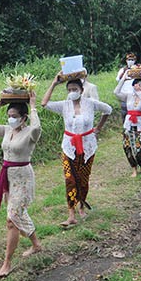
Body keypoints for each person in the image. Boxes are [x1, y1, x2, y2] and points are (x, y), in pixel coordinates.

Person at [0, 92, 43, 277]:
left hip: (23, 178)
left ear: (23, 118)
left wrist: (32, 106)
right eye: (9, 116)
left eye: (14, 117)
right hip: (9, 177)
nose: (11, 120)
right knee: (18, 214)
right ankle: (36, 245)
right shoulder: (7, 130)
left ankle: (7, 263)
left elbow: (37, 127)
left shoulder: (30, 133)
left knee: (12, 220)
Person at [42, 76, 112, 228]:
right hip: (69, 147)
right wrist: (54, 83)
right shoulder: (64, 105)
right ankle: (71, 213)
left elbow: (108, 110)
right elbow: (44, 104)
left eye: (75, 89)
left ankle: (81, 206)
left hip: (87, 147)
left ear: (81, 90)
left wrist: (98, 128)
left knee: (83, 179)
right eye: (69, 90)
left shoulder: (90, 104)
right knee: (70, 179)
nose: (72, 92)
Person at [115, 77, 141, 177]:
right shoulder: (129, 95)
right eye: (136, 85)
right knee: (127, 147)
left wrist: (140, 92)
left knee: (139, 147)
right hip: (129, 123)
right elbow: (116, 93)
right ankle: (134, 168)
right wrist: (123, 80)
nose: (138, 87)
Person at [114, 52, 138, 119]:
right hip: (124, 93)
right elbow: (118, 79)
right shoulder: (123, 70)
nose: (130, 61)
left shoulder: (137, 69)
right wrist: (125, 74)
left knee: (134, 112)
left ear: (135, 61)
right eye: (129, 60)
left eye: (132, 60)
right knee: (124, 111)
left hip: (134, 94)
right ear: (126, 61)